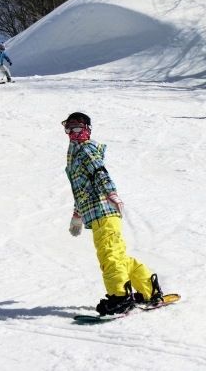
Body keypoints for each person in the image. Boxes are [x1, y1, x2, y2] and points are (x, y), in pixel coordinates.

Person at [62, 112, 163, 316]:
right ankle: (149, 289)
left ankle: (119, 297)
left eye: (77, 128)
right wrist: (77, 215)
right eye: (68, 128)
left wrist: (111, 192)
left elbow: (100, 172)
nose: (73, 132)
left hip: (103, 211)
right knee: (118, 255)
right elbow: (82, 189)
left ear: (87, 129)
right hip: (98, 213)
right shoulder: (75, 152)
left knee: (110, 256)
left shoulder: (85, 148)